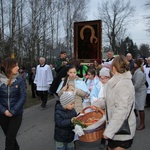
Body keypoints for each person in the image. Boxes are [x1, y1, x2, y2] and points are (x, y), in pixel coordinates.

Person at [103, 55, 136, 150]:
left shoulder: (123, 84)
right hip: (115, 128)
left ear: (113, 68)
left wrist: (109, 131)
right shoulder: (116, 81)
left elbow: (121, 110)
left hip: (121, 131)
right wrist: (97, 105)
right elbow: (111, 100)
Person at [0, 57, 26, 150]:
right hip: (2, 114)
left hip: (16, 114)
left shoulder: (19, 80)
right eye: (16, 66)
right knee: (10, 137)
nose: (18, 68)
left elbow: (23, 96)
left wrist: (13, 111)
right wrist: (4, 111)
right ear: (9, 67)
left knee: (9, 139)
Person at [132, 58, 147, 130]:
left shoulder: (139, 73)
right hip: (137, 91)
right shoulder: (136, 71)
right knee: (134, 105)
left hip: (141, 91)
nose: (133, 63)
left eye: (134, 62)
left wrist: (130, 89)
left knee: (141, 107)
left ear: (137, 64)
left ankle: (142, 124)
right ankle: (135, 118)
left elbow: (137, 85)